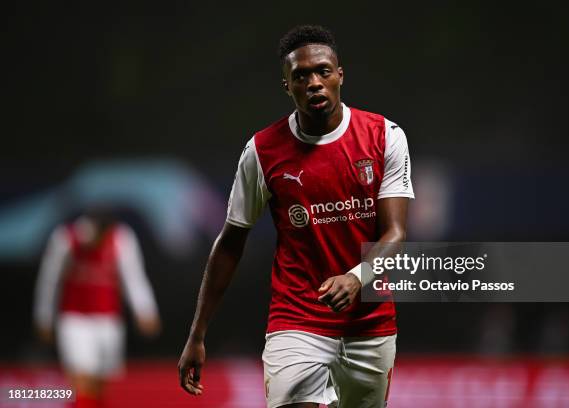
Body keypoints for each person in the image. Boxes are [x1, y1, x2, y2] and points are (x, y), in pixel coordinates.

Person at [178, 25, 414, 408]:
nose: (314, 82)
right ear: (287, 86)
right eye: (301, 76)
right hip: (298, 319)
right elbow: (230, 243)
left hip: (369, 323)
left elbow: (395, 233)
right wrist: (197, 332)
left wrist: (357, 279)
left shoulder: (385, 136)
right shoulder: (262, 151)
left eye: (323, 71)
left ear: (340, 75)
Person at [33, 208, 161, 408]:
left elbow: (133, 277)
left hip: (109, 322)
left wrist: (146, 310)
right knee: (81, 380)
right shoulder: (66, 239)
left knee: (100, 385)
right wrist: (44, 317)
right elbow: (50, 279)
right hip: (74, 320)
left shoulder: (122, 238)